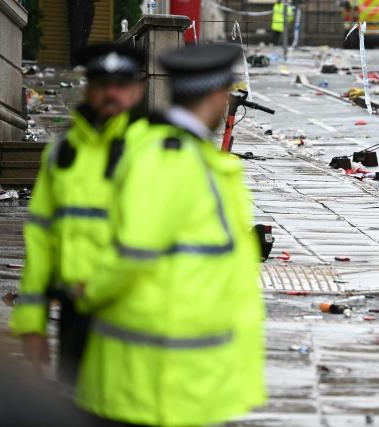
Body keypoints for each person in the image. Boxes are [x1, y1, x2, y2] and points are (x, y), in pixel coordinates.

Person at [72, 43, 266, 426]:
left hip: (177, 379)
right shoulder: (172, 159)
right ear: (216, 95)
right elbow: (135, 248)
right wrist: (88, 291)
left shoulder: (184, 153)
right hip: (156, 383)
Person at [9, 44, 146, 386]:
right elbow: (41, 241)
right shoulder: (62, 154)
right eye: (102, 84)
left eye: (121, 85)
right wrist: (31, 321)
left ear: (137, 91)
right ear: (88, 89)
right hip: (76, 317)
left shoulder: (156, 152)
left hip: (136, 316)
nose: (111, 93)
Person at [68, 0, 96, 66]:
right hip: (77, 5)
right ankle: (76, 64)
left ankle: (80, 63)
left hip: (88, 6)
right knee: (77, 37)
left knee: (84, 37)